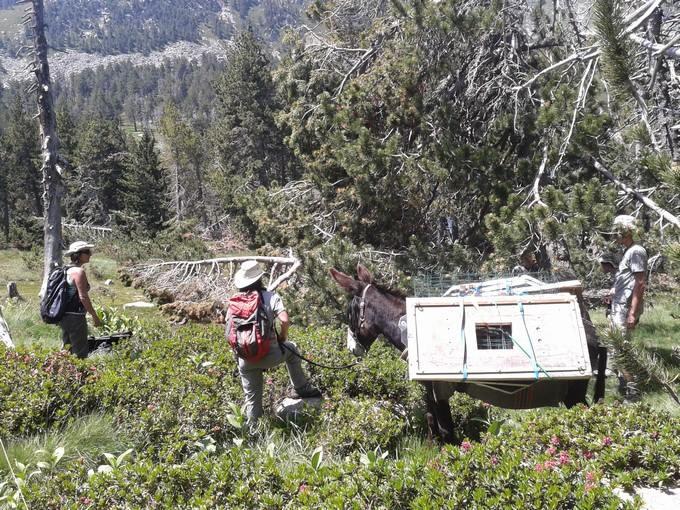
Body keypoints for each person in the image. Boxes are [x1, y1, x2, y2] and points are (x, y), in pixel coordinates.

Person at [228, 260, 321, 426]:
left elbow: (230, 332)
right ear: (260, 278)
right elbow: (284, 320)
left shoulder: (234, 303)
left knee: (252, 398)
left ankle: (253, 430)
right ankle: (301, 389)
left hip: (246, 360)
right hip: (271, 355)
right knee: (292, 350)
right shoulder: (270, 297)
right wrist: (282, 338)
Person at [608, 215, 648, 400]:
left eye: (619, 231)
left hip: (625, 309)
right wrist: (615, 290)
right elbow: (629, 279)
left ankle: (634, 392)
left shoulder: (636, 251)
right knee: (615, 347)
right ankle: (624, 384)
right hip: (619, 305)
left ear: (627, 231)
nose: (616, 235)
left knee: (621, 349)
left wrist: (632, 313)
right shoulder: (628, 251)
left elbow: (640, 283)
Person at [60, 241, 102, 358]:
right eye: (87, 252)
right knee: (80, 353)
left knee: (66, 349)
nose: (90, 254)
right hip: (76, 317)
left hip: (64, 315)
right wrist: (94, 316)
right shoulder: (79, 272)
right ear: (78, 254)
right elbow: (83, 297)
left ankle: (61, 372)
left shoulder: (66, 270)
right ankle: (80, 375)